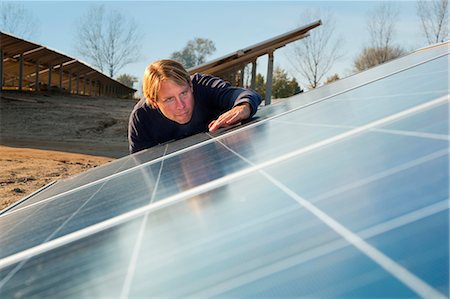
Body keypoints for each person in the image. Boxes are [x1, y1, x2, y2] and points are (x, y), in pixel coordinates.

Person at [128, 59, 262, 154]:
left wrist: (244, 106)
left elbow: (245, 94)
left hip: (219, 160)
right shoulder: (141, 118)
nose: (181, 105)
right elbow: (145, 167)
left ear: (191, 86)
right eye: (169, 99)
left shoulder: (203, 86)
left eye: (184, 93)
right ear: (154, 101)